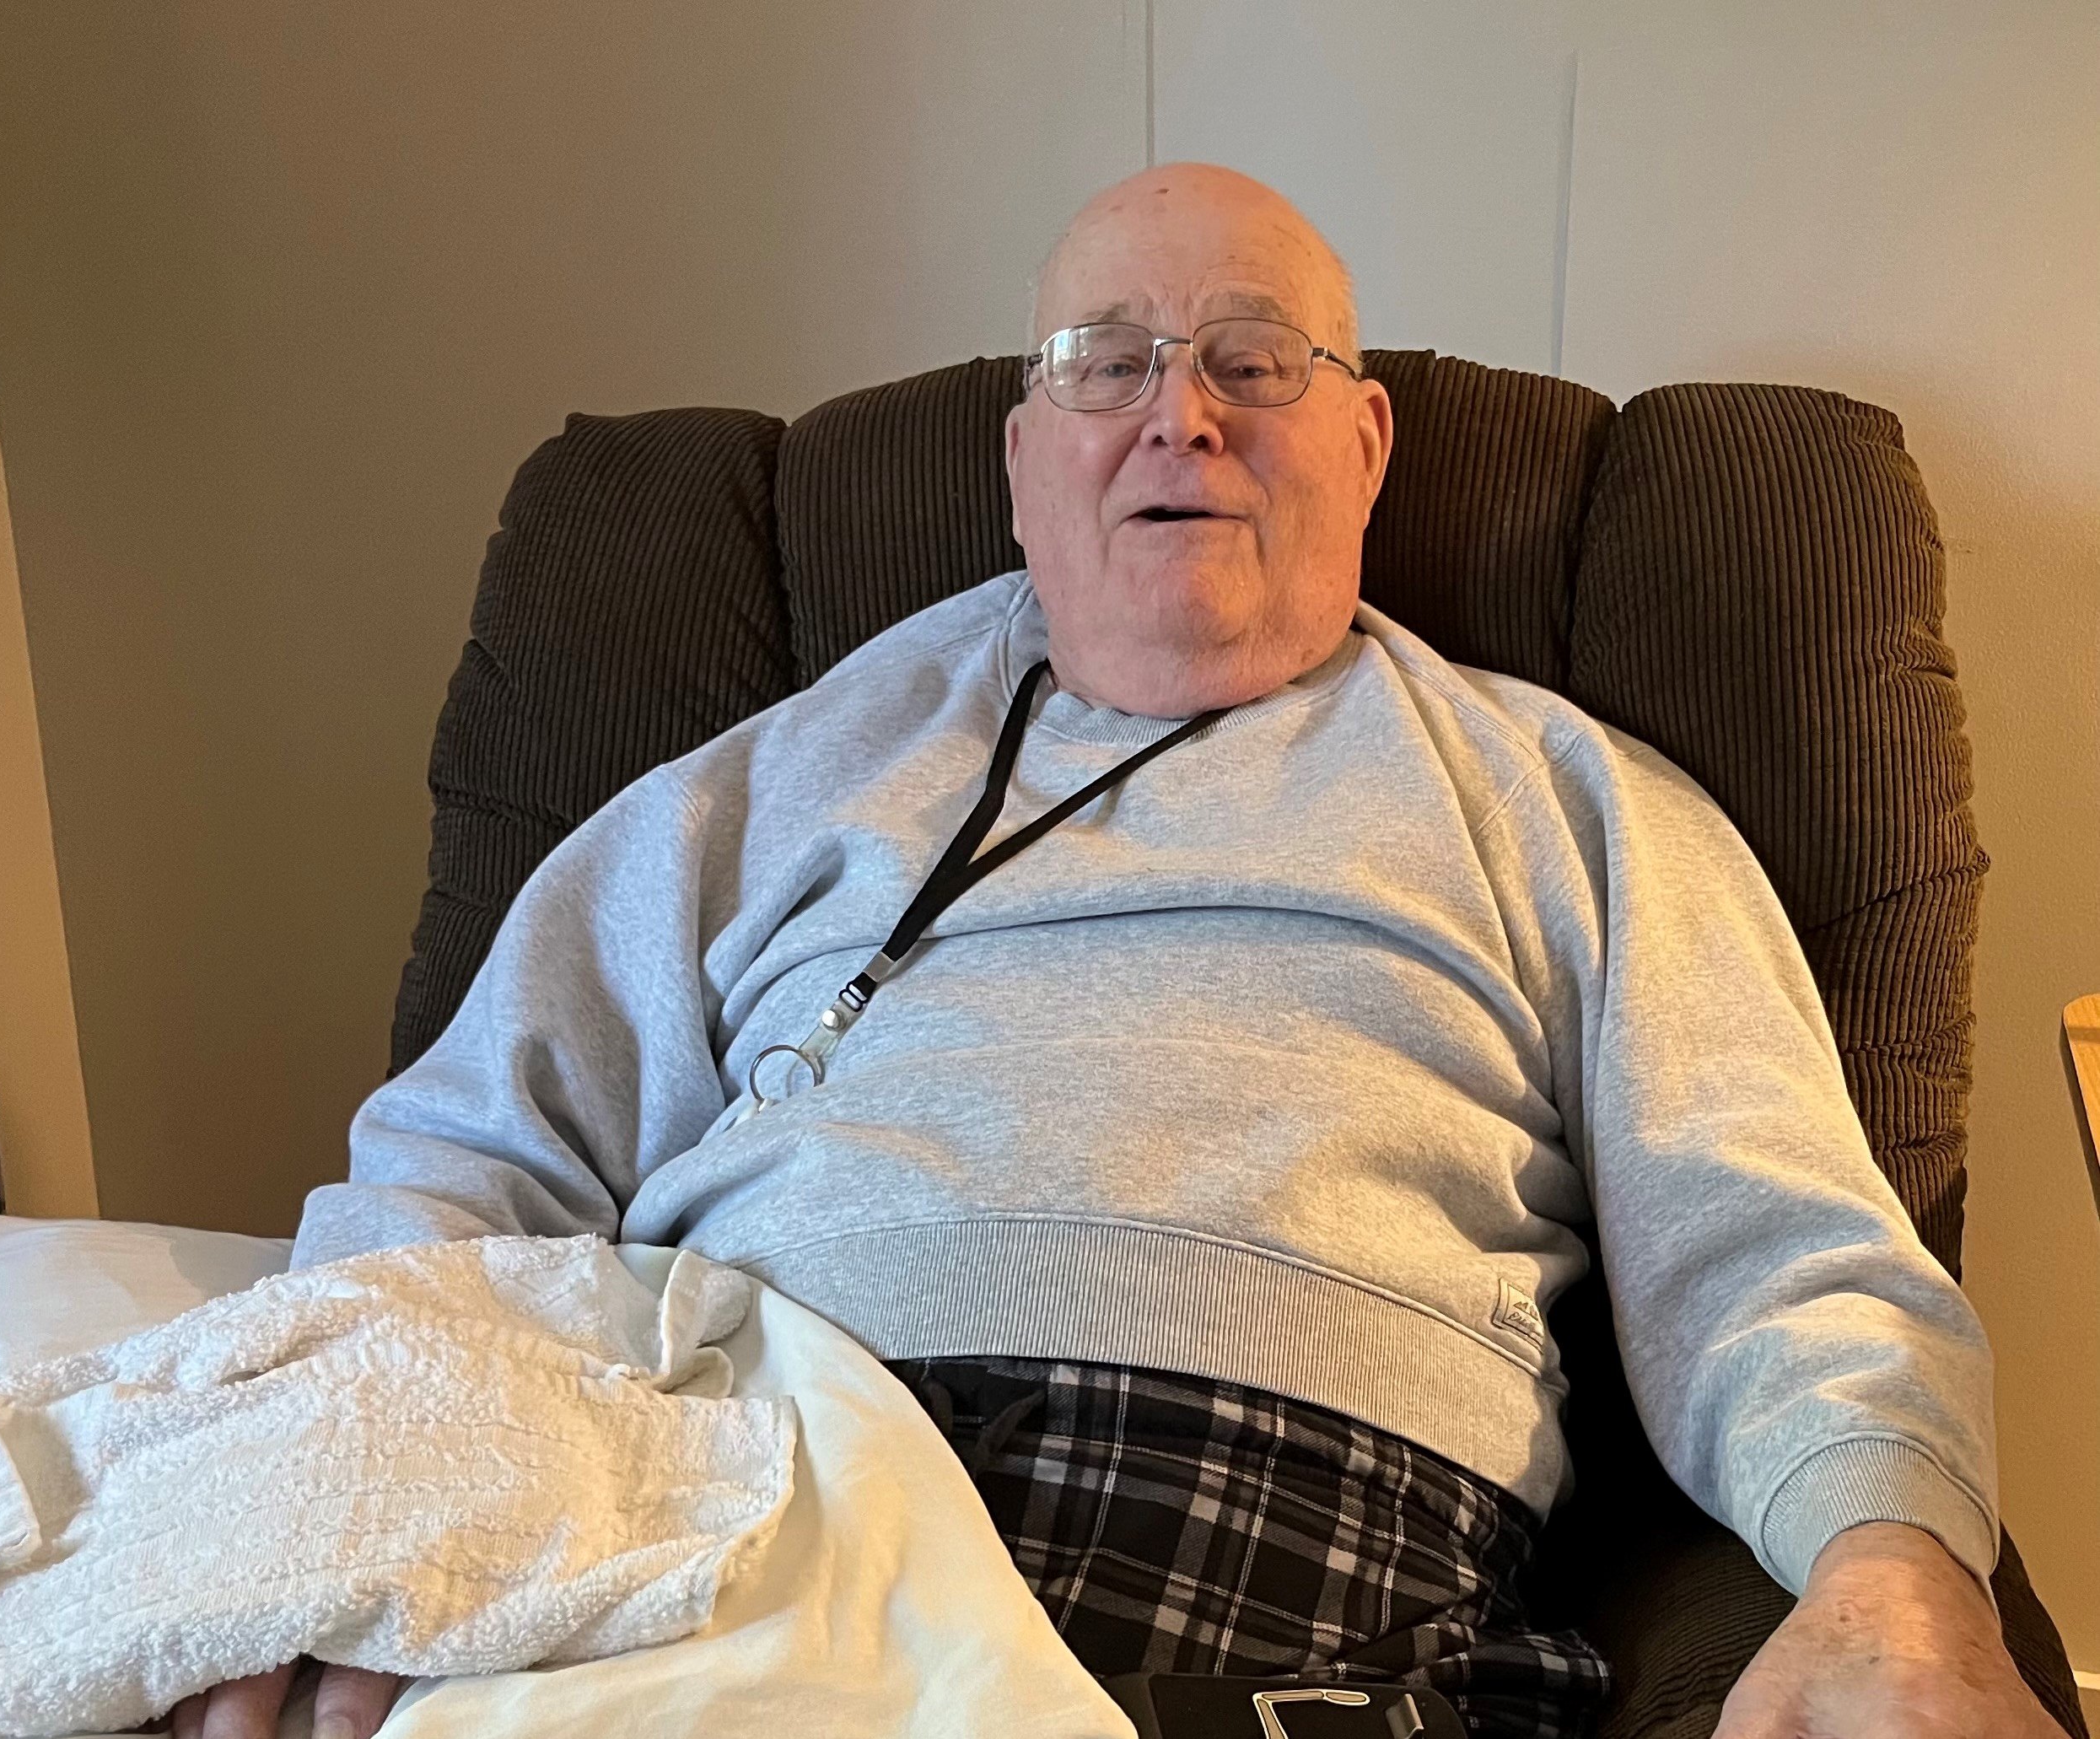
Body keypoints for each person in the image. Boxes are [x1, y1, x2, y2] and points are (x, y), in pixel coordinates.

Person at [173, 165, 2064, 1739]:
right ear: (1024, 459)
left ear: (1365, 442)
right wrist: (326, 1482)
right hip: (726, 1471)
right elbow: (468, 1154)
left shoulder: (1569, 802)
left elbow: (1774, 1244)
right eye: (1110, 364)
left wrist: (1892, 1562)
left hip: (1279, 1532)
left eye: (1254, 357)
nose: (1184, 415)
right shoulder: (765, 781)